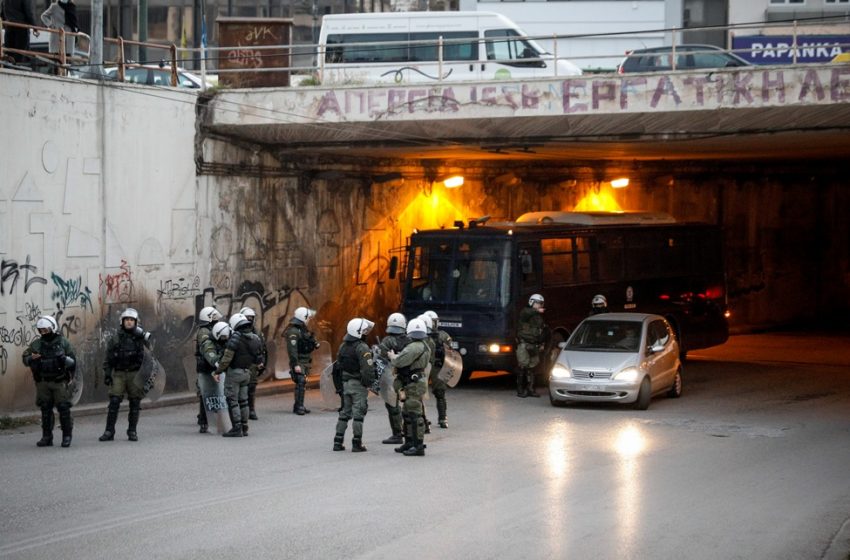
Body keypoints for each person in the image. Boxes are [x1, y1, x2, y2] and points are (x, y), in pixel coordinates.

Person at [22, 316, 76, 447]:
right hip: (42, 382)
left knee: (63, 408)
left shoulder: (63, 343)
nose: (43, 333)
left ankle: (67, 436)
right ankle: (47, 437)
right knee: (45, 409)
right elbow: (25, 358)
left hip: (59, 382)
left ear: (52, 328)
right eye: (41, 331)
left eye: (45, 330)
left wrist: (64, 359)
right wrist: (31, 358)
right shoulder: (37, 344)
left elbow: (73, 361)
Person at [100, 308, 152, 442]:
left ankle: (132, 431)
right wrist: (107, 373)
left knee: (135, 402)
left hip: (135, 373)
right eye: (126, 320)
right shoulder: (116, 338)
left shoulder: (141, 338)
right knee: (114, 401)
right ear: (122, 321)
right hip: (119, 373)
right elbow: (108, 358)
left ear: (136, 322)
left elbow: (148, 356)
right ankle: (109, 431)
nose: (129, 322)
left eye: (131, 320)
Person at [214, 313, 264, 438]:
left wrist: (218, 371)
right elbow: (259, 357)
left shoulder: (235, 338)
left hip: (234, 373)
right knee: (244, 401)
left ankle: (236, 428)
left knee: (233, 401)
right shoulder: (255, 338)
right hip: (247, 372)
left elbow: (226, 359)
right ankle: (244, 427)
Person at [332, 318, 376, 452]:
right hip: (358, 385)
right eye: (363, 331)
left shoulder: (343, 346)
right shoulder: (362, 347)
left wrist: (339, 387)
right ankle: (357, 443)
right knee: (358, 414)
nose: (365, 333)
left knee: (344, 413)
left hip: (345, 385)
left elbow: (337, 367)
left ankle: (337, 442)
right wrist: (369, 384)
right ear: (358, 332)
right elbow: (367, 370)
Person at [389, 318, 431, 456]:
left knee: (414, 414)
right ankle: (409, 442)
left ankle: (418, 446)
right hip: (414, 382)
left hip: (413, 383)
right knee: (407, 413)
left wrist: (392, 356)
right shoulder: (424, 345)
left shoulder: (414, 347)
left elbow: (400, 361)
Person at [374, 312, 407, 445]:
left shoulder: (388, 340)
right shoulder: (409, 340)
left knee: (392, 405)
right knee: (409, 404)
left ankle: (397, 434)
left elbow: (381, 356)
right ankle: (408, 431)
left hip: (392, 376)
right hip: (407, 376)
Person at [284, 306, 320, 415]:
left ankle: (299, 405)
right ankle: (299, 406)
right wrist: (295, 364)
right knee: (301, 381)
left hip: (305, 361)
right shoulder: (293, 332)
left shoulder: (302, 329)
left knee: (302, 383)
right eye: (307, 317)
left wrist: (314, 343)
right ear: (303, 317)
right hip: (299, 361)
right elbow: (292, 350)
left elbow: (308, 339)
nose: (309, 319)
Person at [194, 306, 222, 433]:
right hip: (206, 366)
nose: (216, 319)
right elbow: (207, 348)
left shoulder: (213, 328)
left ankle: (214, 418)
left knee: (216, 392)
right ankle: (203, 421)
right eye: (214, 317)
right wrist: (214, 360)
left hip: (213, 365)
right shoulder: (204, 331)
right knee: (205, 394)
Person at [423, 310, 452, 428]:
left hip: (435, 367)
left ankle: (442, 418)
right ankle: (425, 420)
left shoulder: (443, 335)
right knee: (419, 395)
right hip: (427, 367)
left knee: (439, 393)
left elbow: (450, 353)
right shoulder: (421, 336)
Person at [516, 293, 547, 398]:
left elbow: (541, 331)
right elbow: (526, 313)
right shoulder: (525, 312)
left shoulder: (538, 317)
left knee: (532, 367)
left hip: (534, 344)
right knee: (523, 366)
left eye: (541, 304)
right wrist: (536, 310)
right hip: (524, 343)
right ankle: (520, 389)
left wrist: (542, 343)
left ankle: (531, 389)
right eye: (538, 303)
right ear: (532, 302)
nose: (540, 306)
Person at [239, 306, 267, 420]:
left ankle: (251, 410)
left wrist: (261, 362)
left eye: (251, 317)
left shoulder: (257, 333)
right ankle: (239, 411)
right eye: (247, 317)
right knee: (239, 389)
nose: (250, 320)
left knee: (251, 388)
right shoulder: (236, 331)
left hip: (253, 364)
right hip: (240, 364)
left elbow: (262, 349)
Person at [40, 0, 78, 67]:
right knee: (56, 59)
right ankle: (57, 74)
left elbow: (74, 21)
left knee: (67, 59)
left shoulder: (72, 6)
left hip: (69, 36)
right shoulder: (54, 6)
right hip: (57, 35)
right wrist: (51, 25)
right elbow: (43, 16)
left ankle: (65, 75)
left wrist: (76, 29)